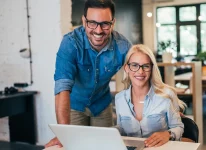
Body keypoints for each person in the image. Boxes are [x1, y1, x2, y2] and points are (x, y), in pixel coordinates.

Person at [45, 0, 131, 148]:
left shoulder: (122, 46)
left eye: (105, 24)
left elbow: (141, 76)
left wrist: (168, 106)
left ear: (113, 23)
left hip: (102, 104)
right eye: (92, 23)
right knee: (74, 146)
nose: (98, 31)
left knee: (104, 146)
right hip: (74, 105)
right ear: (84, 21)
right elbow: (62, 87)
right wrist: (63, 133)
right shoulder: (70, 43)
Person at [114, 44, 186, 147]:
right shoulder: (119, 98)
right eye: (134, 65)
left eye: (146, 66)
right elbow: (122, 129)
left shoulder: (167, 95)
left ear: (152, 68)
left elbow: (178, 127)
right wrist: (111, 131)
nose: (140, 71)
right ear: (126, 68)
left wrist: (167, 134)